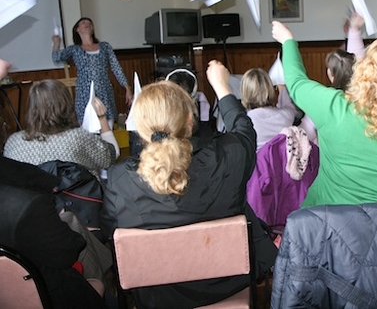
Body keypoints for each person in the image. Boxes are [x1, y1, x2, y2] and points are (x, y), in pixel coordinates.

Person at [101, 62, 277, 309]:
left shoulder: (121, 179)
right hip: (227, 287)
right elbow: (243, 128)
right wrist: (221, 86)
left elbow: (112, 232)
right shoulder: (229, 156)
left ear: (140, 127)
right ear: (188, 118)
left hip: (159, 298)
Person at [272, 16, 377, 207]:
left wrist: (287, 41)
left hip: (327, 227)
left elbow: (296, 83)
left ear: (363, 72)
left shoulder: (335, 107)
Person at [0, 58, 107, 309]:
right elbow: (108, 158)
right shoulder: (80, 138)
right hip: (63, 230)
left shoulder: (14, 143)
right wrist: (102, 122)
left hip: (23, 249)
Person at [3, 79, 116, 179]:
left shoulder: (13, 142)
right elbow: (111, 157)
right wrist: (102, 119)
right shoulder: (80, 138)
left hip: (31, 201)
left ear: (31, 108)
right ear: (67, 105)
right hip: (77, 201)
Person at [52, 17, 132, 124]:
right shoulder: (75, 49)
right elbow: (57, 58)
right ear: (77, 29)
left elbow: (116, 67)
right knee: (88, 130)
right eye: (83, 22)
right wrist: (57, 42)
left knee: (108, 127)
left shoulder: (105, 47)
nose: (87, 24)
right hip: (84, 95)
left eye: (90, 23)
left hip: (104, 92)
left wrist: (127, 87)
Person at [241, 68, 316, 150]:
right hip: (285, 162)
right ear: (270, 89)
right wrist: (282, 86)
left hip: (258, 162)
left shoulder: (244, 122)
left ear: (245, 92)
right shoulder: (285, 115)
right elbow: (289, 105)